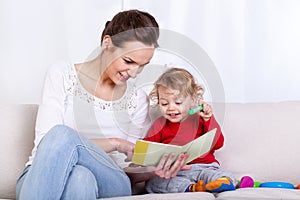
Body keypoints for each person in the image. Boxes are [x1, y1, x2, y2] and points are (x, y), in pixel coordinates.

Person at [16, 9, 189, 200]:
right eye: (128, 61)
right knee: (80, 177)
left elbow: (127, 168)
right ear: (107, 43)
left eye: (142, 65)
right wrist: (115, 143)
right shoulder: (61, 75)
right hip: (39, 175)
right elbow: (46, 145)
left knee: (64, 140)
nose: (133, 73)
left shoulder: (137, 99)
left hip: (111, 180)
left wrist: (155, 169)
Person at [143, 67, 237, 193]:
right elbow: (146, 151)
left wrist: (208, 119)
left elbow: (218, 143)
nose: (171, 108)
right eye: (164, 104)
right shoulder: (159, 124)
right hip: (175, 173)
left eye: (178, 102)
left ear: (192, 99)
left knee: (220, 175)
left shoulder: (201, 118)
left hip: (205, 167)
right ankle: (193, 188)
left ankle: (222, 182)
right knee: (153, 183)